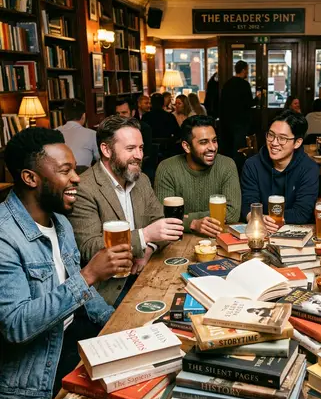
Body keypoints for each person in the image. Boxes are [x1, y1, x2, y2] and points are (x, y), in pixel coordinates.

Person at [0, 128, 132, 399]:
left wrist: (119, 327)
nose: (76, 178)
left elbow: (84, 299)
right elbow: (15, 325)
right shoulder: (4, 236)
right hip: (38, 365)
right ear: (30, 178)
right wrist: (90, 275)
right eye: (66, 170)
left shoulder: (59, 221)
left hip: (73, 334)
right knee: (123, 398)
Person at [69, 116, 183, 306]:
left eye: (141, 148)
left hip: (145, 273)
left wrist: (148, 249)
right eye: (130, 149)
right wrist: (145, 236)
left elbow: (161, 224)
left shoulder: (142, 180)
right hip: (109, 292)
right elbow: (89, 248)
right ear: (106, 150)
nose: (139, 155)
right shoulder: (85, 188)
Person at [154, 115, 241, 237]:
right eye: (204, 142)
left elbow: (232, 213)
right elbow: (163, 216)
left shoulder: (227, 165)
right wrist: (193, 223)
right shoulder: (167, 168)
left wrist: (185, 217)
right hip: (179, 242)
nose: (212, 147)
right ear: (187, 146)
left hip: (218, 238)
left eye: (214, 140)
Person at [240, 110, 319, 232]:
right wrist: (257, 219)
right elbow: (247, 204)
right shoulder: (252, 165)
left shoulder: (309, 168)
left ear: (297, 143)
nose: (274, 143)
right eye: (271, 135)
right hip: (259, 231)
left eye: (282, 138)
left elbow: (302, 212)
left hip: (295, 234)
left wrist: (271, 219)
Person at [220, 60, 261, 172]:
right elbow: (248, 104)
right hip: (240, 122)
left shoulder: (227, 84)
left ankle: (227, 170)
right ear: (243, 70)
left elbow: (222, 103)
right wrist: (258, 98)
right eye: (247, 70)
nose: (247, 72)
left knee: (229, 147)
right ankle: (238, 171)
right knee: (239, 149)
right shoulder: (244, 84)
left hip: (227, 121)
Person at [115, 97, 155, 182]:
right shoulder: (113, 130)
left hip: (139, 164)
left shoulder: (143, 128)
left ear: (132, 113)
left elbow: (147, 153)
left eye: (124, 113)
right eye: (117, 113)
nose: (120, 116)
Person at [57, 99, 99, 169]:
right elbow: (100, 160)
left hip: (57, 177)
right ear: (84, 116)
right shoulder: (92, 134)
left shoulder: (53, 132)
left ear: (64, 116)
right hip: (83, 176)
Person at [142, 92, 181, 159]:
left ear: (151, 103)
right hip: (167, 151)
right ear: (163, 103)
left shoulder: (145, 117)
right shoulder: (170, 116)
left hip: (149, 151)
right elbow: (178, 134)